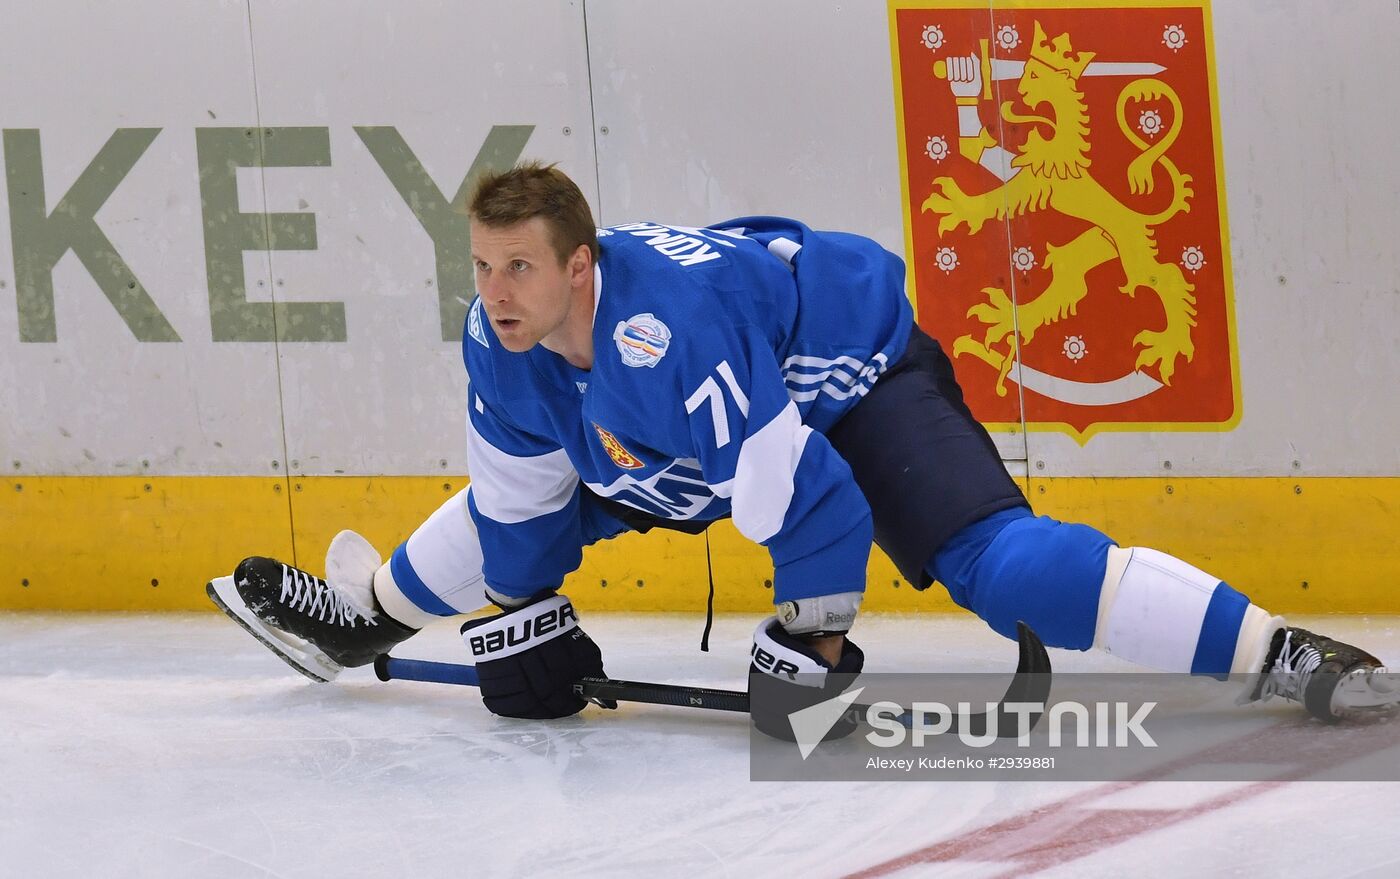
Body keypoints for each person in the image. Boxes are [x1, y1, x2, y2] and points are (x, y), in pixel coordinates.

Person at [210, 162, 1395, 727]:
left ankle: (1281, 651)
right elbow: (518, 500)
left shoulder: (664, 336)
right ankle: (369, 614)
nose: (495, 291)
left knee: (1002, 565)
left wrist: (806, 639)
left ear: (577, 266)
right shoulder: (501, 338)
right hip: (695, 422)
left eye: (518, 267)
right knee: (503, 522)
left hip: (849, 381)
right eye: (481, 266)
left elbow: (815, 501)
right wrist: (517, 620)